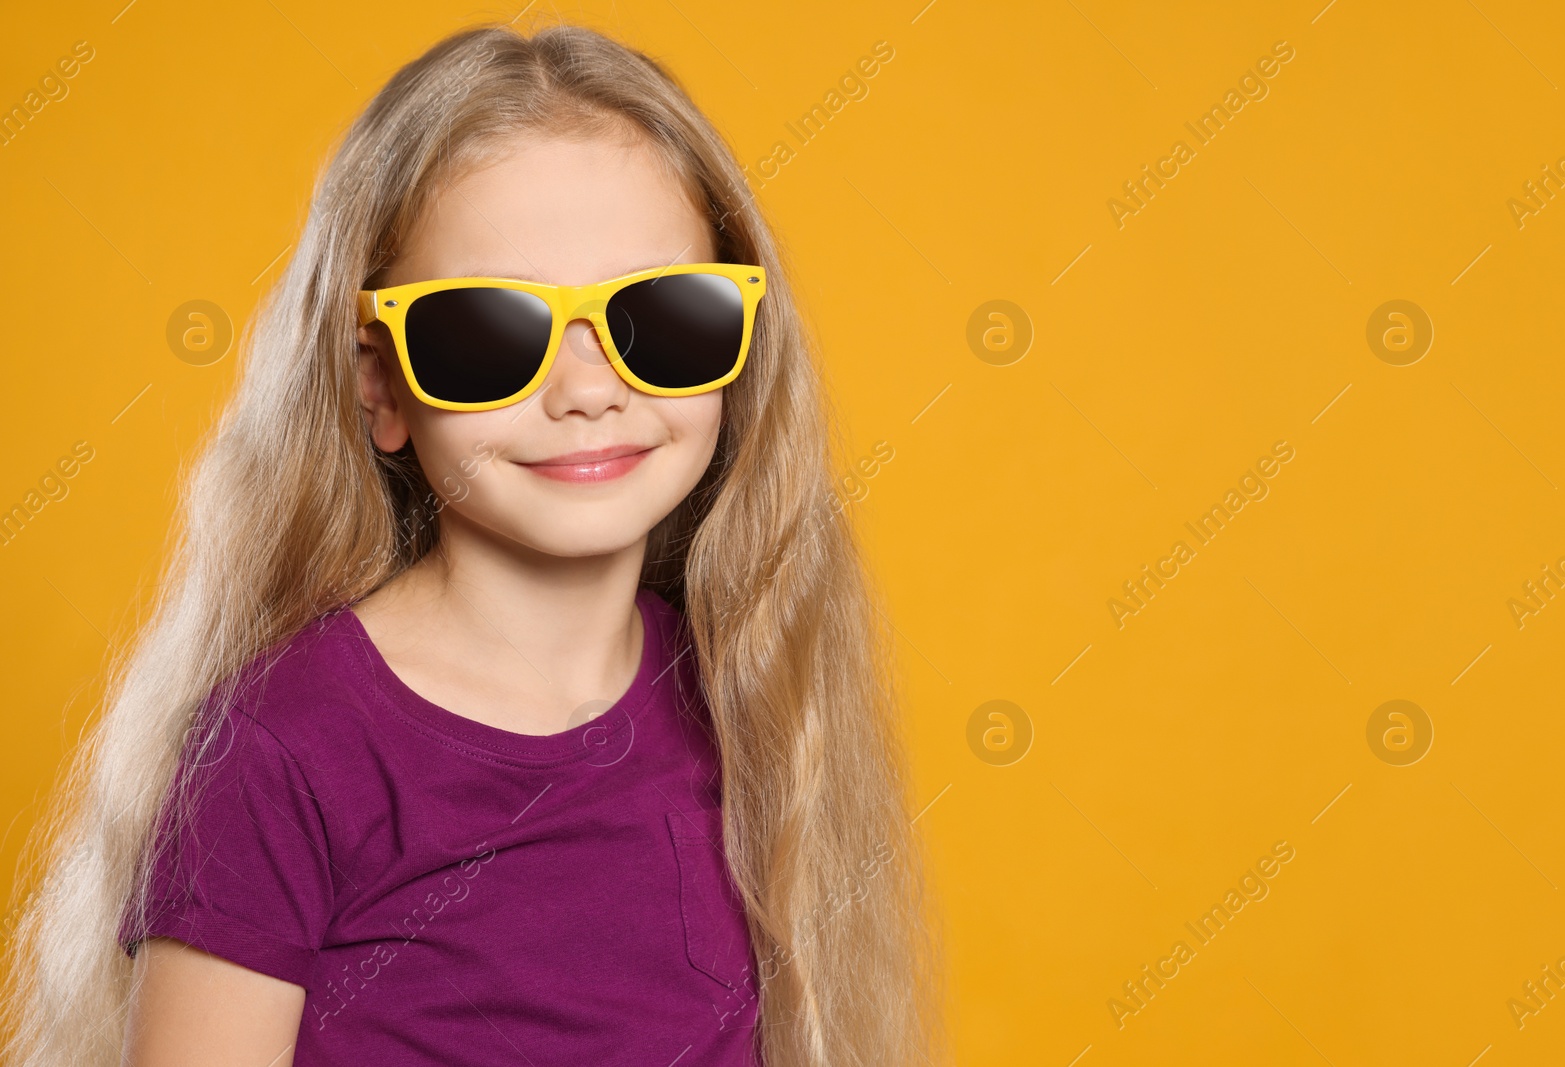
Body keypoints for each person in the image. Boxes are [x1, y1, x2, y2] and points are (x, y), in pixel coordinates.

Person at [0, 21, 944, 1067]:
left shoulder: (748, 688)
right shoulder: (284, 749)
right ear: (383, 385)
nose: (588, 391)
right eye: (489, 332)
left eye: (660, 319)